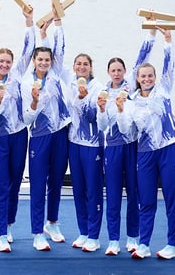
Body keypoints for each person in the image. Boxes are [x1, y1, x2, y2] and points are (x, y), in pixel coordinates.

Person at [117, 28, 175, 260]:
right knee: (146, 199)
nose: (146, 79)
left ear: (155, 78)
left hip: (168, 150)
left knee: (172, 197)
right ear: (137, 78)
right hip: (144, 153)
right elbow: (126, 130)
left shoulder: (164, 90)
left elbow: (169, 65)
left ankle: (173, 244)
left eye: (150, 76)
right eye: (142, 76)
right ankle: (143, 243)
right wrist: (121, 110)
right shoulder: (132, 100)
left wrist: (165, 40)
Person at [96, 27, 156, 255]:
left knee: (133, 192)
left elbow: (143, 59)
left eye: (120, 69)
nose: (117, 73)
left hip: (132, 147)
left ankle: (132, 237)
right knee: (112, 194)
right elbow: (101, 126)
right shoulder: (102, 93)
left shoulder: (131, 87)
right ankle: (113, 240)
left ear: (124, 72)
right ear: (108, 72)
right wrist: (101, 110)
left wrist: (151, 34)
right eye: (113, 70)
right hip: (112, 148)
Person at [0, 5, 35, 252]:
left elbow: (29, 49)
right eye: (1, 61)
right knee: (0, 183)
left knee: (14, 181)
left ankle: (9, 223)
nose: (4, 64)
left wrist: (29, 21)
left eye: (8, 61)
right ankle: (0, 233)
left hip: (19, 135)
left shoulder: (17, 76)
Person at [21, 15, 71, 251]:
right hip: (39, 136)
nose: (43, 62)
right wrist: (33, 101)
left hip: (61, 133)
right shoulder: (25, 83)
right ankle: (37, 232)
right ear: (33, 60)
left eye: (46, 59)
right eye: (39, 59)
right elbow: (27, 118)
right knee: (38, 184)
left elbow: (59, 46)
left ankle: (53, 222)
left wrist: (57, 23)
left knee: (57, 180)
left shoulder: (55, 74)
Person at [65, 52, 105, 253]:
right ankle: (83, 231)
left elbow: (93, 118)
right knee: (78, 189)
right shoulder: (71, 84)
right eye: (78, 63)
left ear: (91, 67)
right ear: (74, 66)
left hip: (92, 144)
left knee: (93, 190)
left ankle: (94, 235)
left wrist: (83, 98)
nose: (81, 67)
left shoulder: (98, 88)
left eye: (85, 64)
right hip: (74, 142)